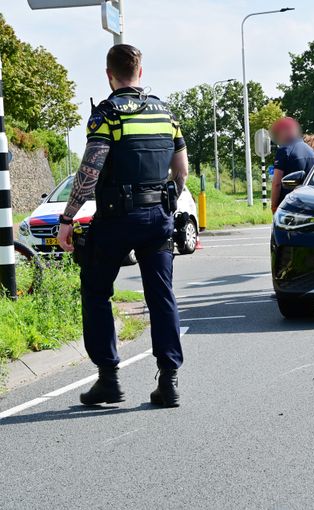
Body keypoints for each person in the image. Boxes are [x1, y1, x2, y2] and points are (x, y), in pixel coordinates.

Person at [57, 44, 189, 408]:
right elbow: (182, 171)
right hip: (158, 219)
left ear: (109, 74)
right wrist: (168, 201)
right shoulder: (166, 113)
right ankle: (169, 382)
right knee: (161, 297)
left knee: (97, 292)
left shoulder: (107, 114)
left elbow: (90, 171)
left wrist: (67, 218)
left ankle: (108, 379)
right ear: (140, 72)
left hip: (115, 219)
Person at [270, 117, 314, 213]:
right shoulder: (310, 151)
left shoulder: (284, 150)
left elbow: (276, 183)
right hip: (311, 205)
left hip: (290, 206)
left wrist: (274, 207)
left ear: (285, 132)